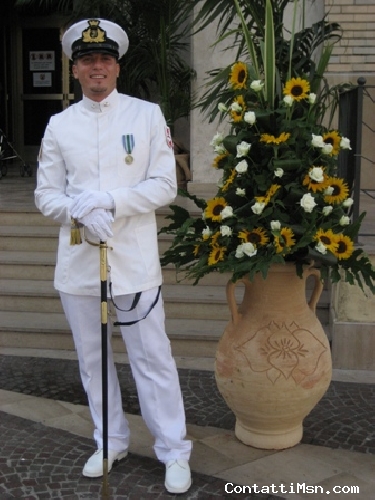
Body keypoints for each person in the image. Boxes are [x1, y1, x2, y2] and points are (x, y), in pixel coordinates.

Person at [34, 18, 192, 495]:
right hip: (80, 263)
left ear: (116, 67)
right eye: (87, 61)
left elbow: (166, 183)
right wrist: (78, 210)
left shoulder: (146, 115)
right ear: (76, 71)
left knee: (153, 359)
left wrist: (111, 203)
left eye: (104, 60)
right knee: (93, 360)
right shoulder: (59, 125)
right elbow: (46, 196)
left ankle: (174, 450)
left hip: (134, 260)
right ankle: (110, 440)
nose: (96, 67)